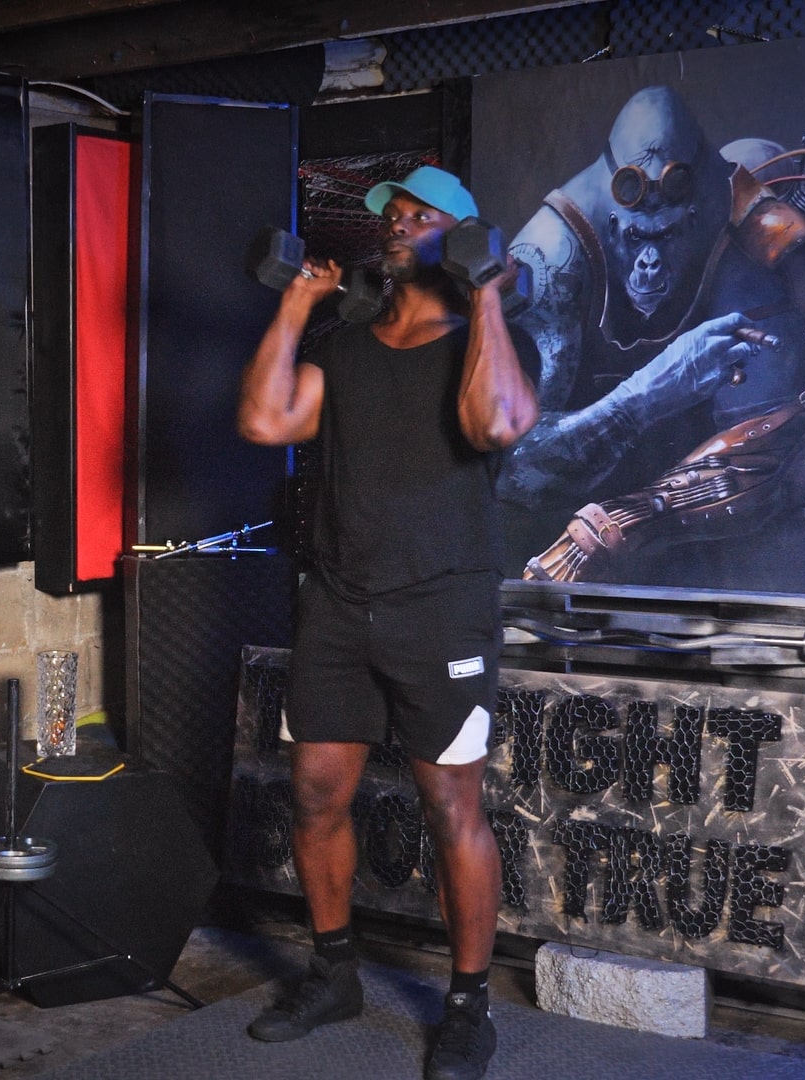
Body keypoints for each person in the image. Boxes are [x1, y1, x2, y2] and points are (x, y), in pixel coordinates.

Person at [234, 165, 539, 1080]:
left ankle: (468, 1007)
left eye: (420, 215)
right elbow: (265, 421)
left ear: (466, 234)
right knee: (315, 796)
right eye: (392, 215)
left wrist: (486, 293)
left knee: (452, 810)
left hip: (441, 609)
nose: (396, 225)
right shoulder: (346, 347)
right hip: (337, 604)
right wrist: (297, 303)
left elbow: (495, 426)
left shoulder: (493, 341)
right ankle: (334, 975)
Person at [498, 85, 805, 583]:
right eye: (636, 236)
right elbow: (515, 474)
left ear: (699, 216)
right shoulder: (551, 257)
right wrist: (651, 392)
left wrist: (631, 519)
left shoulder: (747, 234)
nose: (650, 263)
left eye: (668, 235)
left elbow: (780, 456)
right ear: (608, 220)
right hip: (545, 540)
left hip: (683, 539)